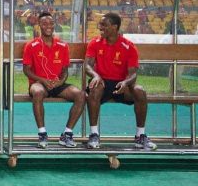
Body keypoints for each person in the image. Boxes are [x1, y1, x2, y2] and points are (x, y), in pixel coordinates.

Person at [85, 12, 157, 150]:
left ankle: (140, 136)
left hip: (121, 86)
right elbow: (87, 65)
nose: (100, 27)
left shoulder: (128, 46)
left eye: (104, 25)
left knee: (140, 91)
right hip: (102, 83)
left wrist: (125, 83)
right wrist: (95, 75)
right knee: (95, 88)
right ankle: (94, 135)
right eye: (100, 24)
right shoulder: (95, 43)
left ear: (114, 27)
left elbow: (133, 74)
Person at [22, 12, 85, 149]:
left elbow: (65, 71)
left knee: (80, 94)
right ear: (39, 25)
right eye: (44, 23)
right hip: (39, 83)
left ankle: (67, 134)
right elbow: (26, 70)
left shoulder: (62, 45)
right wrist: (43, 81)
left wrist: (60, 82)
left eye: (51, 23)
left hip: (57, 83)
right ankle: (42, 134)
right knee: (37, 92)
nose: (48, 26)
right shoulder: (31, 45)